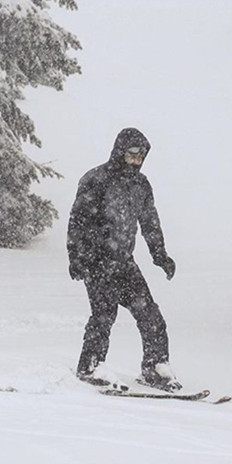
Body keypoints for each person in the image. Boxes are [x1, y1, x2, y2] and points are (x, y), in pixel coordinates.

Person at [67, 127, 181, 391]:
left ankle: (155, 366)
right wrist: (77, 257)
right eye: (131, 154)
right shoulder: (96, 179)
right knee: (104, 314)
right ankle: (90, 366)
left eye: (141, 155)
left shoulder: (140, 185)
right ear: (120, 151)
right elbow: (77, 220)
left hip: (123, 262)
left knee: (150, 313)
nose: (136, 160)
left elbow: (150, 222)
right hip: (95, 260)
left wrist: (160, 254)